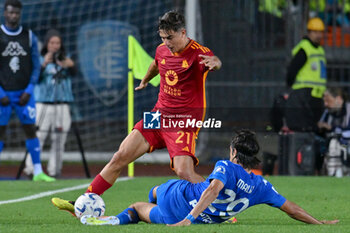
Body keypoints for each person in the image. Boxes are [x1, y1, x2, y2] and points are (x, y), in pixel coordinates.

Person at [51, 10, 222, 214]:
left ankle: (219, 209)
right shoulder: (162, 50)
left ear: (183, 32)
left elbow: (215, 61)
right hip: (158, 116)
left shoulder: (198, 53)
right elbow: (157, 63)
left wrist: (216, 63)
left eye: (170, 38)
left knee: (184, 171)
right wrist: (146, 79)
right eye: (163, 38)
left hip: (182, 121)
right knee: (120, 156)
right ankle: (84, 200)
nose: (166, 42)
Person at [79, 130, 339, 226]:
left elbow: (213, 189)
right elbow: (290, 208)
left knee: (151, 195)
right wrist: (319, 222)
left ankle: (112, 218)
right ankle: (115, 220)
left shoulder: (226, 166)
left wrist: (188, 219)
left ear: (234, 151)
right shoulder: (262, 186)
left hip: (182, 199)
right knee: (147, 209)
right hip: (199, 218)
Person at [0, 0, 55, 182]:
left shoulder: (29, 36)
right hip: (3, 94)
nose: (13, 16)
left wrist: (30, 89)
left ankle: (38, 171)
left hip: (24, 93)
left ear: (20, 14)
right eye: (10, 12)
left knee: (31, 129)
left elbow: (36, 66)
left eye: (16, 13)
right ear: (4, 13)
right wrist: (1, 93)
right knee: (0, 131)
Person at [23, 29, 75, 177]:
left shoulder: (65, 58)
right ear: (47, 43)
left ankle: (54, 170)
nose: (55, 46)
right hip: (43, 103)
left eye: (58, 43)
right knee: (38, 136)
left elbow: (74, 73)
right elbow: (34, 78)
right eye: (52, 42)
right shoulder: (39, 58)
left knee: (59, 138)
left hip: (62, 103)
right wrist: (44, 63)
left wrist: (69, 65)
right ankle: (31, 169)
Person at [285, 17, 327, 132]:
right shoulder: (304, 48)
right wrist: (290, 86)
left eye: (320, 32)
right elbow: (292, 70)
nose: (318, 35)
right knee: (306, 127)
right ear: (309, 32)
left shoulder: (320, 50)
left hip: (316, 95)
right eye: (315, 32)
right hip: (304, 94)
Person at [318, 87, 350, 176]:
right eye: (324, 101)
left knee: (334, 143)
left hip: (345, 144)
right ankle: (332, 174)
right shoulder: (328, 112)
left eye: (328, 101)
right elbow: (320, 126)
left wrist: (332, 128)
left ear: (338, 99)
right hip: (330, 143)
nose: (325, 104)